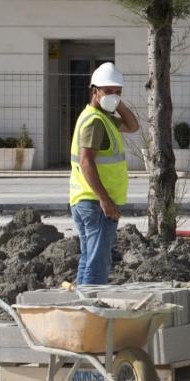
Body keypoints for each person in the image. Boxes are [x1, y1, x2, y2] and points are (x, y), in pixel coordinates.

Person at [69, 62, 139, 285]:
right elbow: (86, 162)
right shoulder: (95, 122)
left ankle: (81, 307)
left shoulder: (102, 117)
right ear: (94, 91)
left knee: (89, 259)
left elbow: (133, 125)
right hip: (96, 204)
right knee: (97, 264)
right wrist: (105, 200)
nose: (114, 96)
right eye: (108, 91)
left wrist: (116, 103)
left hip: (87, 201)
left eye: (118, 92)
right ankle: (90, 311)